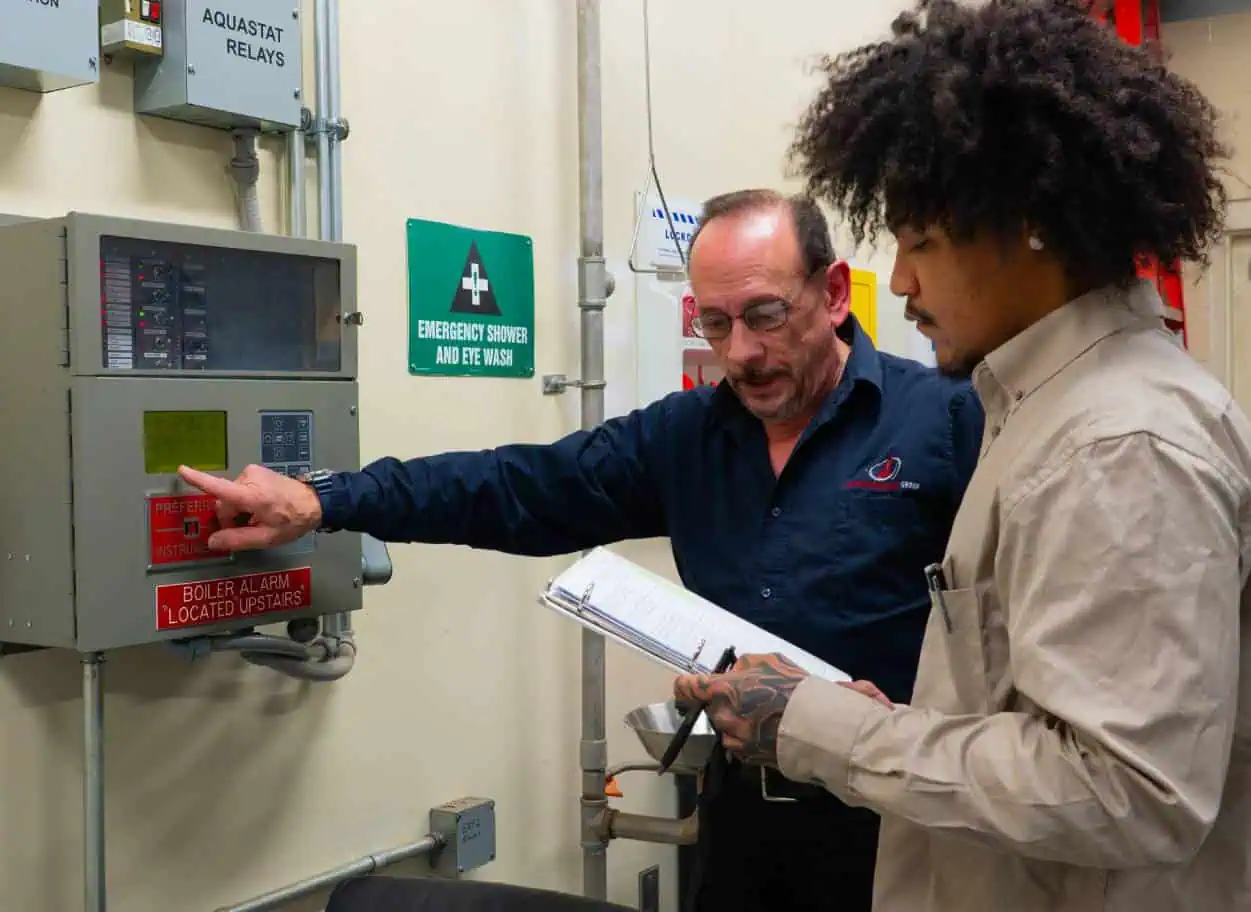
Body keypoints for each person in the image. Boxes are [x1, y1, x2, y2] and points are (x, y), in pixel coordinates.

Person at [178, 188, 984, 912]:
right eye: (713, 322)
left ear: (833, 293)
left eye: (765, 315)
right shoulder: (687, 436)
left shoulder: (947, 423)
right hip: (739, 819)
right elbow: (513, 487)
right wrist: (327, 499)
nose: (739, 352)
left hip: (896, 828)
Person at [674, 3, 1251, 911]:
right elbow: (1037, 716)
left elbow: (1127, 793)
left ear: (1026, 224)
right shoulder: (1040, 414)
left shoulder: (1112, 444)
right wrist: (890, 723)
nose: (898, 281)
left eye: (921, 244)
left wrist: (825, 727)